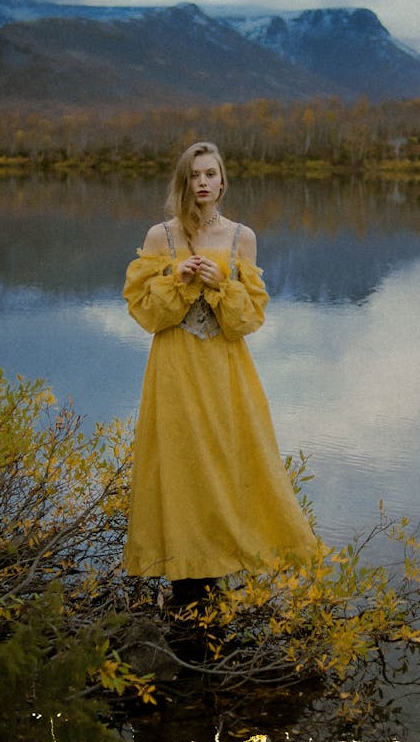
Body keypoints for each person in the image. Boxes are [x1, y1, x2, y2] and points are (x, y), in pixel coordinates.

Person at [122, 141, 318, 606]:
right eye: (195, 175)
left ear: (223, 180)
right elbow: (148, 315)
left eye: (211, 174)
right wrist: (179, 280)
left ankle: (227, 570)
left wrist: (221, 284)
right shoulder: (160, 237)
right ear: (183, 182)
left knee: (234, 461)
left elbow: (247, 321)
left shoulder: (241, 238)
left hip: (226, 369)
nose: (204, 182)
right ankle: (185, 581)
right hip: (173, 366)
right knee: (179, 465)